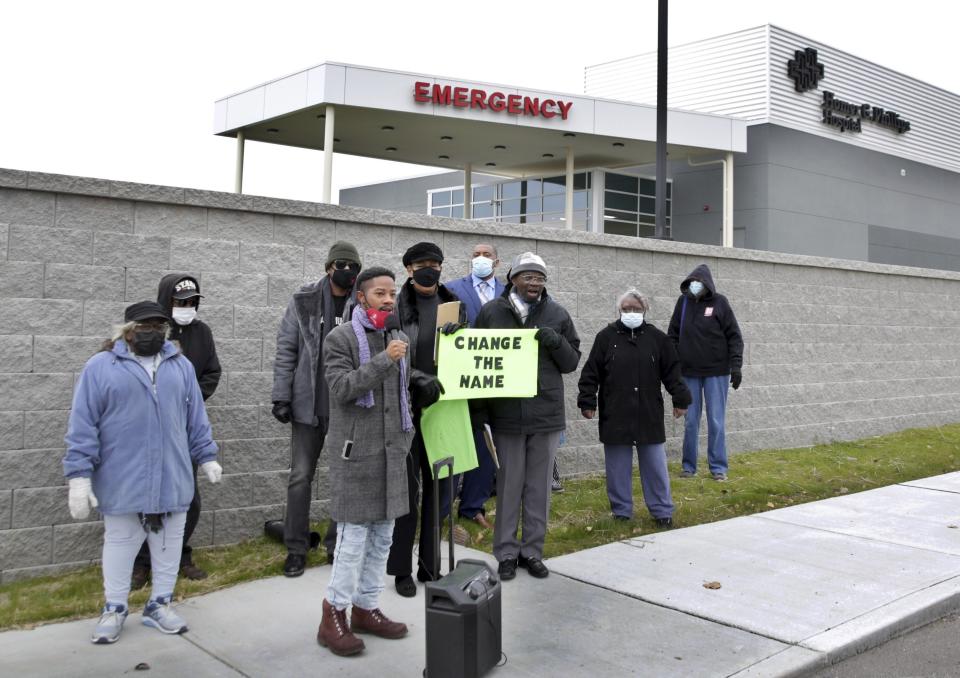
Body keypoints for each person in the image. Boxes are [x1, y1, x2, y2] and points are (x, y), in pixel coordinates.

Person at [63, 301, 222, 645]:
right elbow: (83, 424)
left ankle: (159, 604)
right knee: (120, 545)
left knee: (168, 545)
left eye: (159, 327)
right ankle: (115, 608)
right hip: (123, 479)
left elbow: (195, 417)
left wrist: (206, 456)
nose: (153, 332)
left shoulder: (179, 367)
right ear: (128, 329)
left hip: (173, 477)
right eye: (145, 326)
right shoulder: (101, 367)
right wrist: (79, 476)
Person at [318, 267, 438, 657]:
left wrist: (417, 378)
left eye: (391, 294)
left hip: (393, 452)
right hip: (357, 454)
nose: (388, 300)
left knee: (383, 537)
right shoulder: (340, 339)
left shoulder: (397, 336)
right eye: (379, 294)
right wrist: (386, 360)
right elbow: (341, 389)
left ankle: (366, 607)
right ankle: (332, 614)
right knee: (352, 541)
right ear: (362, 297)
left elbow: (399, 385)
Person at [474, 252, 580, 581]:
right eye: (528, 277)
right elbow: (476, 357)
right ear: (513, 279)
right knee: (508, 486)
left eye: (540, 278)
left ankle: (532, 551)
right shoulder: (492, 312)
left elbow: (571, 361)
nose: (534, 283)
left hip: (545, 414)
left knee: (538, 488)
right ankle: (506, 552)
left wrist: (557, 342)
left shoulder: (557, 313)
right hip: (506, 415)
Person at [272, 241, 361, 576]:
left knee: (344, 479)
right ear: (329, 267)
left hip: (346, 407)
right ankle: (296, 548)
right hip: (308, 406)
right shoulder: (304, 300)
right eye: (341, 264)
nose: (347, 271)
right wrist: (281, 396)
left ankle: (336, 547)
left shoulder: (362, 301)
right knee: (300, 477)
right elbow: (287, 348)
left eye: (353, 265)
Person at [131, 275, 222, 590]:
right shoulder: (151, 333)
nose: (187, 308)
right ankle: (142, 563)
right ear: (166, 301)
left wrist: (190, 397)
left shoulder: (202, 333)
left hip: (185, 427)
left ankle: (181, 555)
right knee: (149, 497)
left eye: (192, 302)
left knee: (188, 497)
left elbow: (212, 371)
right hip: (150, 429)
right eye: (180, 302)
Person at [387, 241, 466, 597]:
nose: (429, 269)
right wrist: (418, 378)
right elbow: (389, 353)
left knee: (440, 490)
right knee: (408, 493)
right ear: (408, 269)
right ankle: (401, 568)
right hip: (407, 409)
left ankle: (430, 565)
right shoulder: (395, 307)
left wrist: (462, 332)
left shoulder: (455, 307)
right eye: (421, 264)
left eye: (435, 263)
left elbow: (470, 353)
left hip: (445, 410)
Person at [578, 289, 691, 525]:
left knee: (655, 467)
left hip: (649, 412)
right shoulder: (605, 337)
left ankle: (662, 512)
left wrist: (681, 399)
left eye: (636, 309)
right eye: (626, 309)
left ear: (645, 310)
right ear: (619, 310)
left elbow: (672, 372)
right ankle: (621, 511)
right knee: (617, 468)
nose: (631, 313)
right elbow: (591, 372)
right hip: (615, 412)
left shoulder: (658, 339)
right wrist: (587, 400)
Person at [443, 242, 504, 530]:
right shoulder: (451, 289)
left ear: (497, 262)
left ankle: (472, 507)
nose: (480, 259)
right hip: (460, 380)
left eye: (486, 255)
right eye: (475, 255)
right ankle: (442, 509)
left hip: (494, 381)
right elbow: (440, 327)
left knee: (486, 445)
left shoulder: (510, 293)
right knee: (455, 442)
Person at [667, 264, 743, 482]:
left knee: (716, 420)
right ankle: (688, 466)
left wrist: (736, 366)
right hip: (688, 372)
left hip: (717, 372)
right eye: (691, 281)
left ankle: (718, 467)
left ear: (707, 283)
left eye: (698, 281)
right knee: (690, 420)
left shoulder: (720, 303)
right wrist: (673, 366)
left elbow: (734, 337)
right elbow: (672, 335)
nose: (695, 285)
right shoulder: (683, 303)